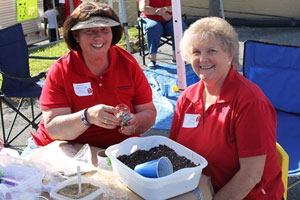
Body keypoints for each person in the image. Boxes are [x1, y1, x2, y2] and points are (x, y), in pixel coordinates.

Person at [169, 17, 284, 199]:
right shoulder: (187, 97)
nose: (203, 59)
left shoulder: (249, 102)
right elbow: (175, 152)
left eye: (212, 51)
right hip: (201, 187)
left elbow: (250, 176)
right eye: (196, 52)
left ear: (230, 54)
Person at [28, 2, 156, 151]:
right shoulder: (61, 69)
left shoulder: (127, 63)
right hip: (69, 147)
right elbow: (54, 129)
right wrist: (87, 117)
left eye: (104, 30)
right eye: (90, 31)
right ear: (76, 36)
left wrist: (136, 122)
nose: (99, 37)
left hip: (117, 147)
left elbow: (149, 112)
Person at [139, 0, 187, 69]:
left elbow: (177, 6)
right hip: (150, 18)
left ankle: (177, 57)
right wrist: (160, 13)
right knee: (153, 27)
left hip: (169, 19)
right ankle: (152, 59)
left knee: (179, 26)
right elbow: (143, 8)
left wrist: (165, 8)